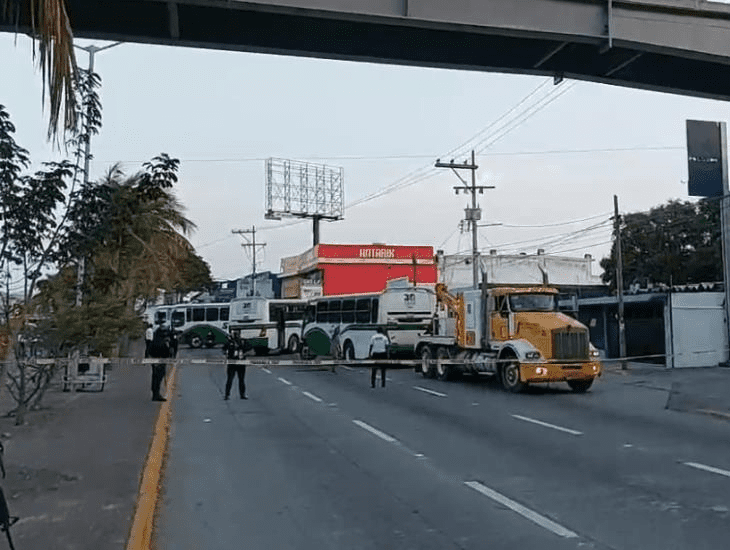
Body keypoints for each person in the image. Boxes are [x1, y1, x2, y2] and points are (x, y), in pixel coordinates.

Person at [148, 325, 171, 401]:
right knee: (157, 379)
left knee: (155, 378)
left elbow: (149, 350)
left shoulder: (154, 340)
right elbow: (167, 352)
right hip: (160, 362)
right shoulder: (162, 341)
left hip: (155, 362)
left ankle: (155, 394)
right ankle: (156, 395)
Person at [223, 330, 247, 400]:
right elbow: (224, 349)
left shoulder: (242, 342)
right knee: (230, 379)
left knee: (241, 380)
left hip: (241, 363)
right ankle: (227, 394)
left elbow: (249, 350)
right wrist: (227, 353)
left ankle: (242, 394)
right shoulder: (229, 342)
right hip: (232, 363)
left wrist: (244, 354)